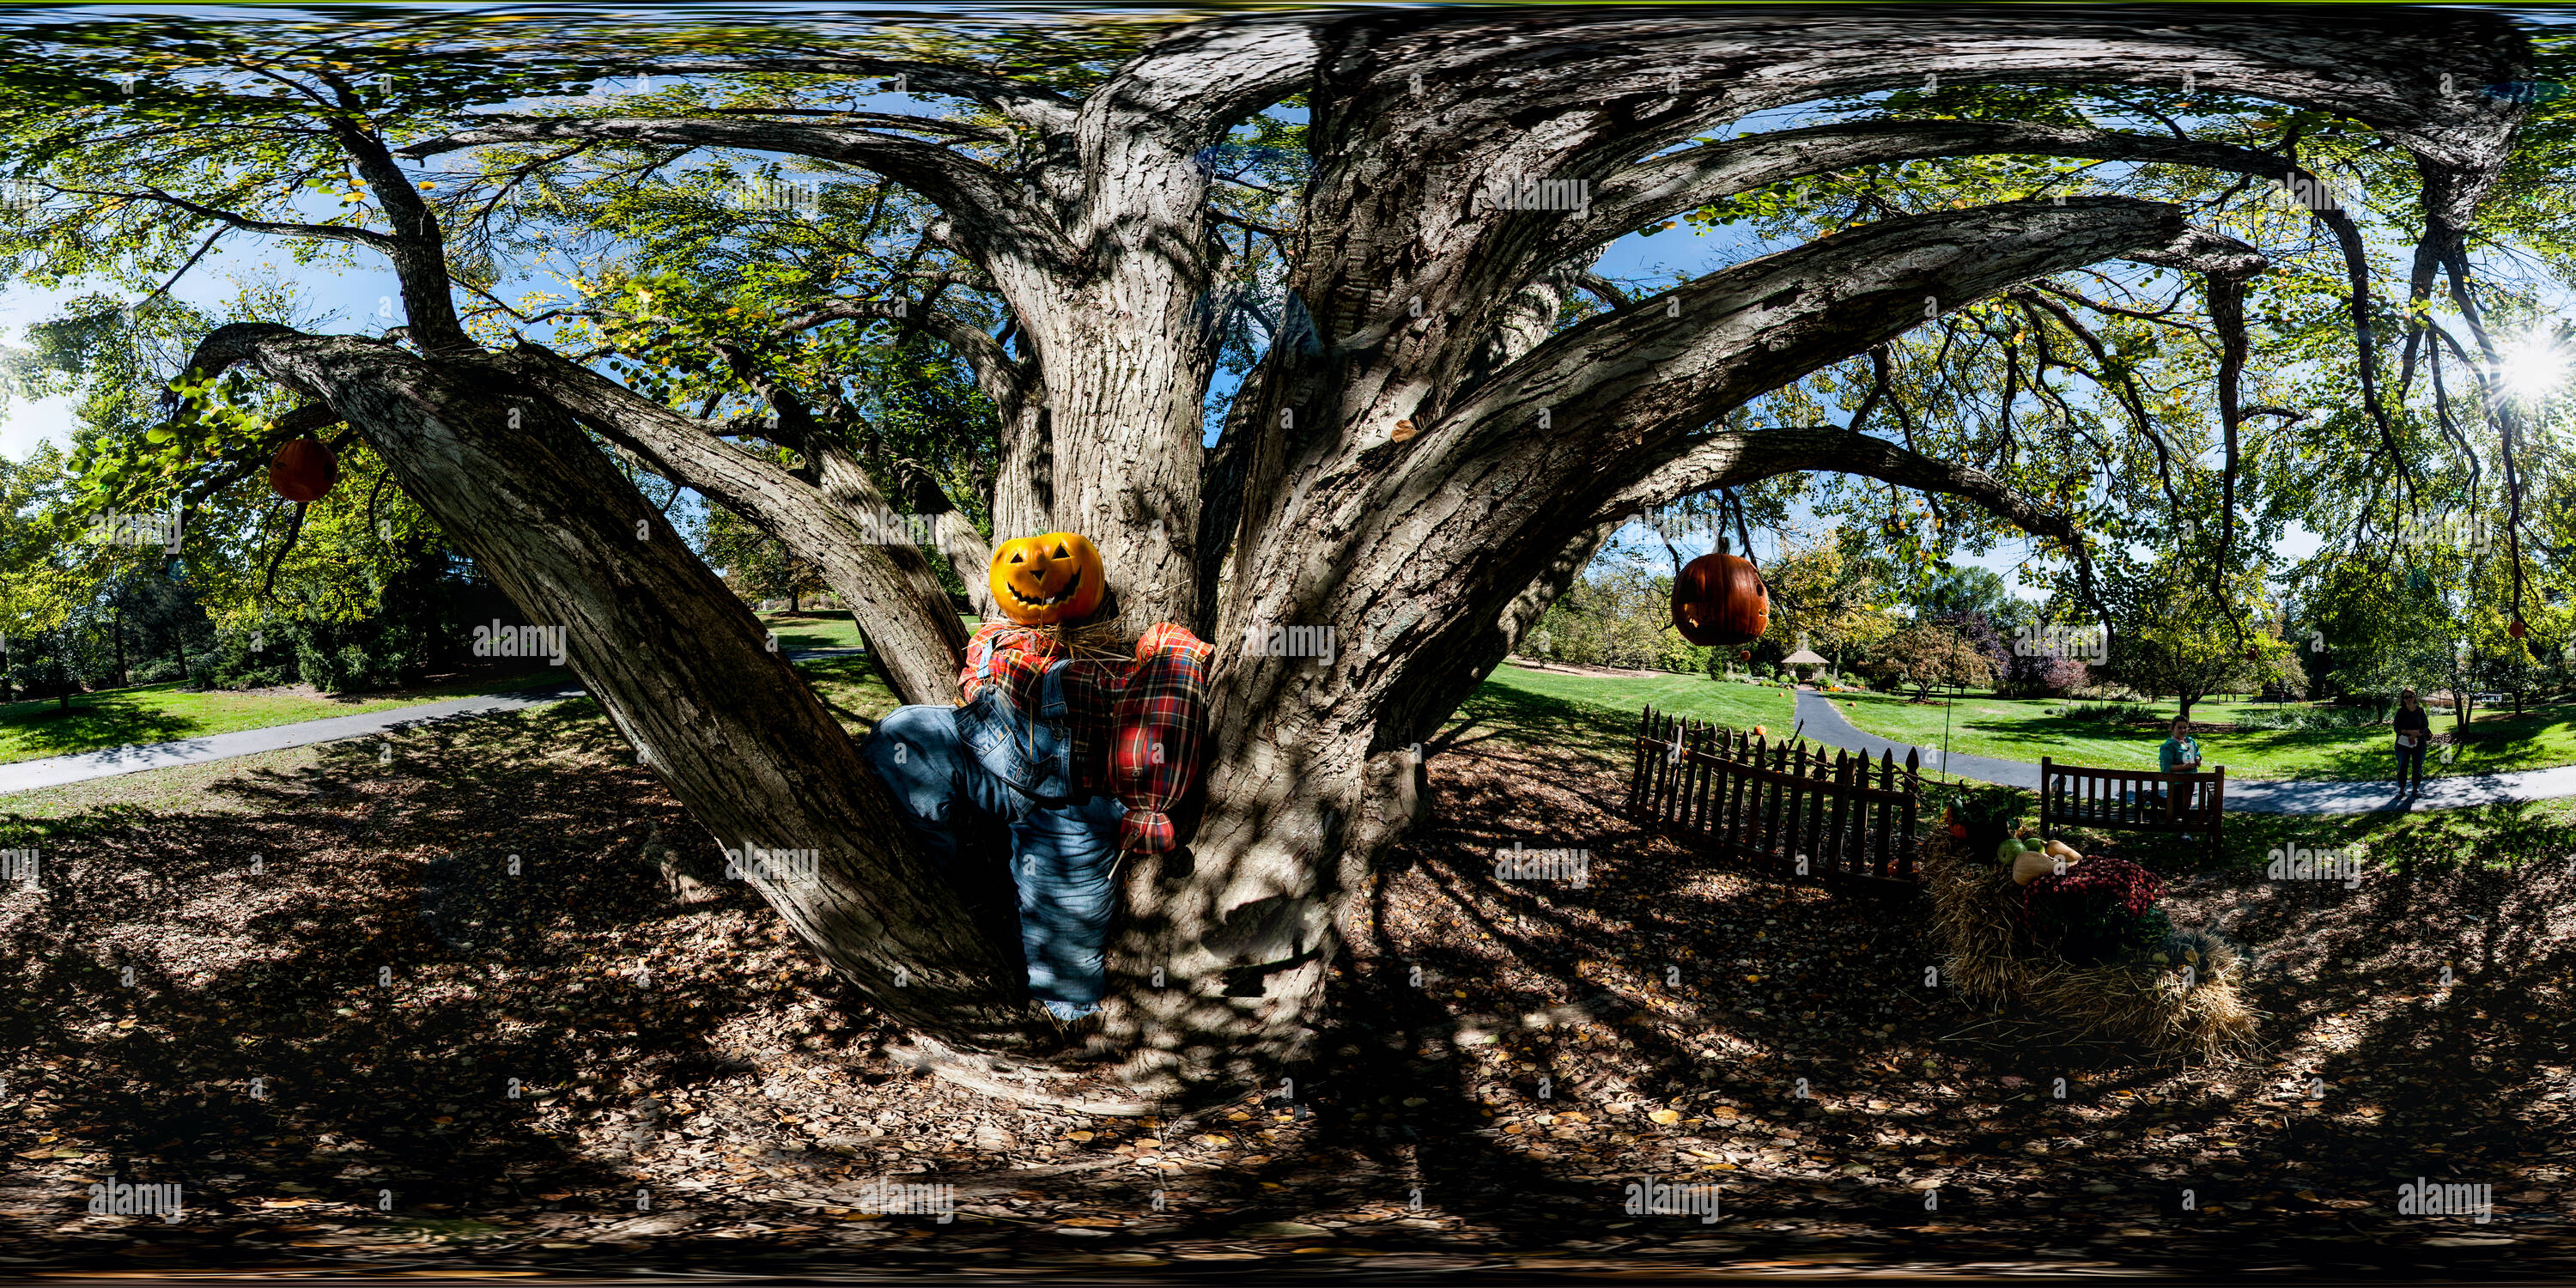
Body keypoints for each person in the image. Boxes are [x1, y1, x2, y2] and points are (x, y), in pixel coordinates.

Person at [860, 533, 1212, 1026]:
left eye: (1062, 559)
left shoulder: (1118, 659)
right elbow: (973, 687)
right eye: (1018, 562)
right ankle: (930, 876)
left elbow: (1155, 718)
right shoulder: (1001, 640)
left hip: (1076, 804)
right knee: (907, 735)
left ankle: (1063, 1021)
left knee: (1067, 920)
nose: (1040, 572)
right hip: (994, 762)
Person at [2392, 687, 2431, 796]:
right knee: (2402, 767)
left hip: (2420, 743)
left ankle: (2415, 789)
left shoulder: (2420, 710)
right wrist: (2410, 732)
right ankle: (2401, 790)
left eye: (2411, 696)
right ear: (2403, 699)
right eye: (2406, 697)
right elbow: (2396, 728)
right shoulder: (2400, 712)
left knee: (2417, 766)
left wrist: (2417, 733)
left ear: (2414, 697)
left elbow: (2425, 725)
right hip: (2403, 743)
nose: (2409, 699)